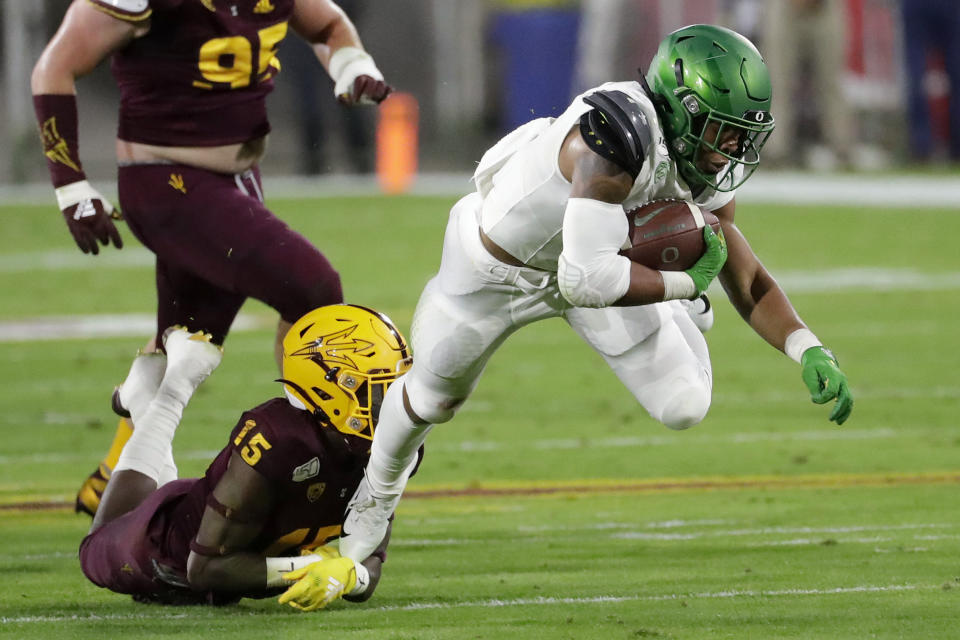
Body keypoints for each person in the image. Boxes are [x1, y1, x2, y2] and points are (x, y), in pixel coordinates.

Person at [337, 24, 854, 563]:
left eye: (741, 133)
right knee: (430, 399)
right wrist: (680, 285)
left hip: (601, 265)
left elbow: (741, 271)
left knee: (684, 403)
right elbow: (583, 280)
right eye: (723, 130)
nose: (732, 149)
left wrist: (806, 346)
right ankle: (376, 498)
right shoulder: (612, 136)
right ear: (681, 108)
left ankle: (669, 292)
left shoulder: (698, 160)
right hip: (497, 269)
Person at [30, 0, 392, 516]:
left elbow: (328, 23)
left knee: (191, 336)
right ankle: (303, 456)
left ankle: (116, 470)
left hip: (236, 182)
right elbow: (54, 66)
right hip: (168, 182)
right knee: (313, 287)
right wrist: (70, 184)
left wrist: (352, 65)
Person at [80, 304, 415, 609]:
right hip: (162, 553)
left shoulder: (395, 445)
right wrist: (310, 569)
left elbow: (370, 559)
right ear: (327, 389)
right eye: (377, 389)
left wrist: (347, 575)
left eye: (395, 386)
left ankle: (146, 394)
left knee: (191, 509)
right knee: (93, 548)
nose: (393, 402)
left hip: (220, 517)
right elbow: (204, 570)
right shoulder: (277, 442)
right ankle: (166, 391)